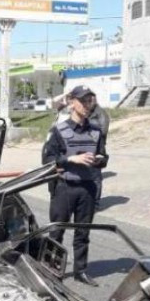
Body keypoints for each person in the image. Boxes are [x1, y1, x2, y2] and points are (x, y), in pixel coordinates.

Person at [42, 85, 108, 287]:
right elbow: (47, 160)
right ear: (72, 102)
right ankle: (50, 272)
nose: (88, 105)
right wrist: (72, 159)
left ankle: (81, 271)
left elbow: (104, 157)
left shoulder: (96, 131)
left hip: (87, 188)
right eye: (83, 101)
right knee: (57, 231)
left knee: (83, 233)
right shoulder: (59, 130)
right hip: (64, 187)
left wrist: (99, 160)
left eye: (90, 101)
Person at [88, 94, 110, 208]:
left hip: (98, 148)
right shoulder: (87, 112)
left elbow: (103, 131)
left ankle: (96, 201)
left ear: (94, 101)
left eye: (89, 101)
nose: (87, 103)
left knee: (96, 176)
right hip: (86, 148)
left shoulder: (101, 113)